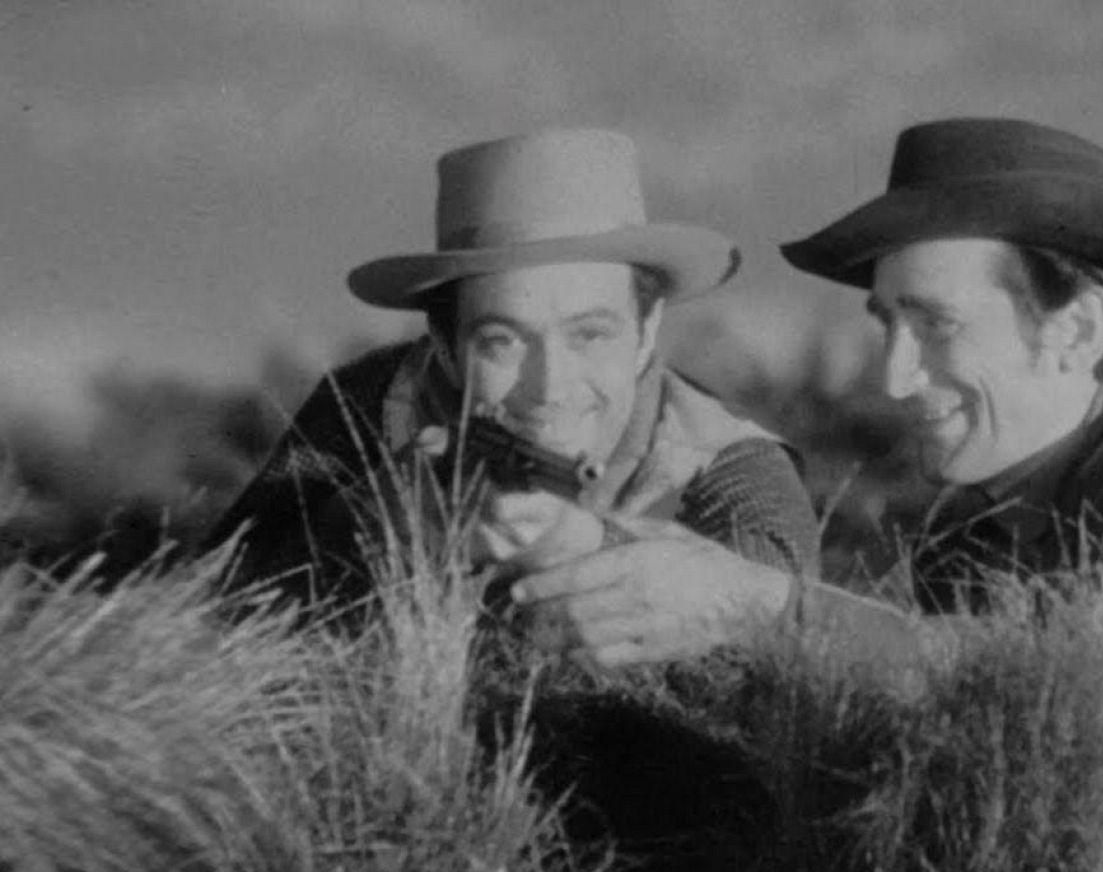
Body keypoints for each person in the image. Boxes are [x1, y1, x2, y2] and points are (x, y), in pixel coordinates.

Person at [525, 118, 1103, 755]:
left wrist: (749, 604)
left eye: (936, 325)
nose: (896, 377)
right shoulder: (964, 537)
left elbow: (1100, 688)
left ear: (1079, 327)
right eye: (885, 325)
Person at [209, 127, 819, 656]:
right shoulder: (371, 399)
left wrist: (593, 550)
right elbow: (215, 600)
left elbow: (791, 616)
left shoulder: (733, 465)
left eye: (589, 336)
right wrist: (376, 528)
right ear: (445, 346)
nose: (549, 387)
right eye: (503, 341)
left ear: (648, 329)